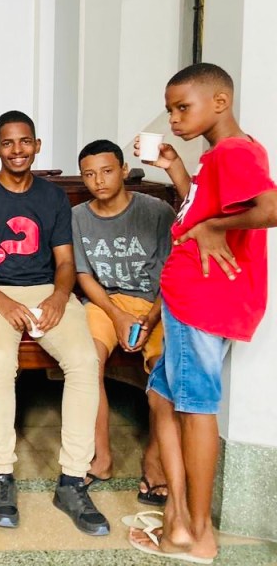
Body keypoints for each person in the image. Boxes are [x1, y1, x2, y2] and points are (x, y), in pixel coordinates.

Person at [129, 63, 277, 564]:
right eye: (169, 110)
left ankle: (197, 532)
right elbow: (198, 209)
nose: (173, 118)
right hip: (187, 298)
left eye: (182, 107)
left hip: (203, 301)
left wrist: (214, 229)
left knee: (195, 409)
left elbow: (271, 207)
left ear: (220, 102)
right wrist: (174, 168)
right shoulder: (217, 155)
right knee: (162, 398)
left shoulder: (234, 151)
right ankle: (177, 517)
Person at [0, 110, 108, 536]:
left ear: (37, 145)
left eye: (25, 141)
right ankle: (2, 476)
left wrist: (59, 296)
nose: (17, 150)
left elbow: (65, 262)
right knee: (0, 361)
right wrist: (0, 300)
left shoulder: (52, 197)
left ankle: (72, 481)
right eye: (7, 143)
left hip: (46, 290)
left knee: (84, 361)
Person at [73, 139, 174, 506]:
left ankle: (155, 460)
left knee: (165, 371)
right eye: (89, 175)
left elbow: (173, 274)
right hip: (104, 302)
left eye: (107, 171)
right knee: (87, 363)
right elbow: (84, 276)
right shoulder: (78, 216)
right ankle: (101, 458)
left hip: (154, 303)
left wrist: (150, 317)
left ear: (124, 170)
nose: (98, 181)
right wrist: (116, 315)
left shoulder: (157, 211)